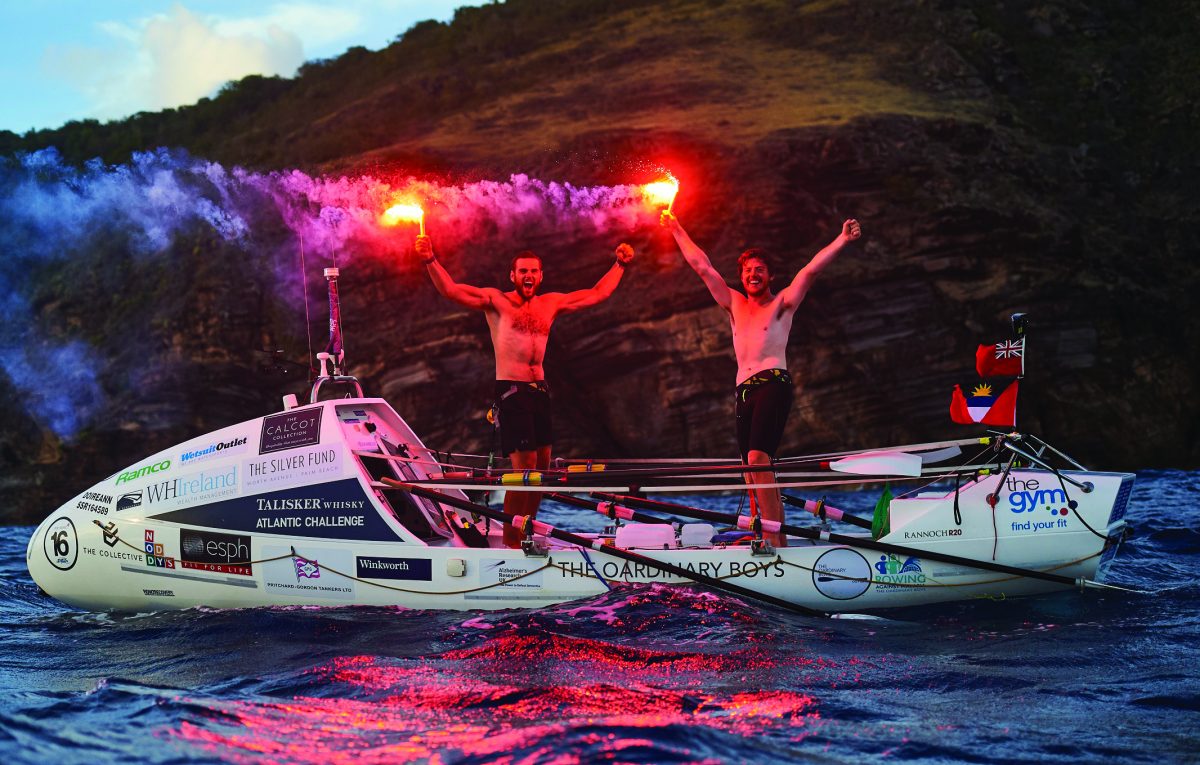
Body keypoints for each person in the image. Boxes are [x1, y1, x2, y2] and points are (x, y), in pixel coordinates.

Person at [415, 234, 635, 547]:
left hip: (539, 391)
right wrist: (429, 259)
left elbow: (597, 293)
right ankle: (511, 543)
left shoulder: (550, 304)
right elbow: (451, 290)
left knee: (542, 471)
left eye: (533, 271)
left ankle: (526, 533)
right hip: (511, 391)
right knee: (524, 470)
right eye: (522, 271)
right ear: (513, 275)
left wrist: (620, 265)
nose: (528, 276)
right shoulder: (496, 301)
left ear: (541, 276)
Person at [660, 211, 861, 547]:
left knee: (757, 459)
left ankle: (774, 542)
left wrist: (842, 239)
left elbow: (810, 270)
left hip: (773, 383)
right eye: (748, 271)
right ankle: (771, 536)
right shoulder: (734, 304)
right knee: (750, 467)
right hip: (743, 391)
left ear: (770, 276)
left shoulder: (783, 303)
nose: (753, 275)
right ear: (741, 276)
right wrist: (676, 228)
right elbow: (702, 267)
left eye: (760, 270)